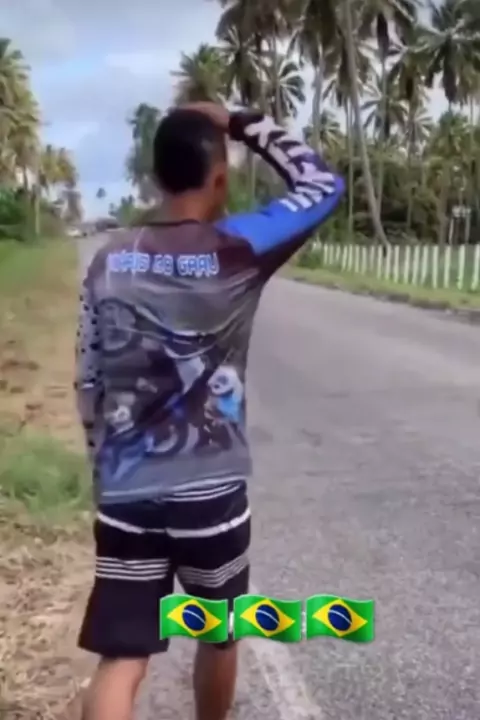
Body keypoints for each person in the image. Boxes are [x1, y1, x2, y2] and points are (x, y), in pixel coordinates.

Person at [75, 101, 345, 720]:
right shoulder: (238, 247)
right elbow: (322, 184)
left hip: (127, 490)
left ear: (155, 177)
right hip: (212, 497)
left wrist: (101, 467)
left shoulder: (109, 260)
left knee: (122, 658)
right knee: (219, 635)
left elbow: (89, 378)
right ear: (219, 178)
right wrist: (244, 122)